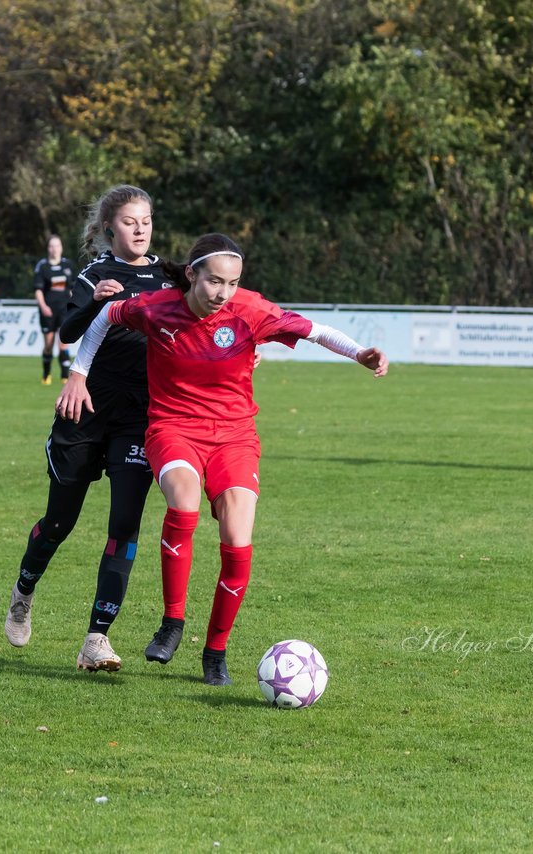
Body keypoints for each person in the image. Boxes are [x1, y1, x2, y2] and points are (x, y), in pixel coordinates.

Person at [56, 233, 389, 685]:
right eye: (214, 282)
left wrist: (359, 354)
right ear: (192, 275)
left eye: (231, 284)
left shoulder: (250, 310)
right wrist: (78, 374)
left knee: (237, 536)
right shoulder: (156, 308)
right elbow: (103, 319)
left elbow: (314, 330)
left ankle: (215, 653)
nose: (222, 293)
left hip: (235, 438)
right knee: (184, 502)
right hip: (173, 429)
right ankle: (172, 623)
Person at [4, 185, 174, 673]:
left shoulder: (169, 278)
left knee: (124, 525)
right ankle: (23, 591)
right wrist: (94, 302)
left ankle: (96, 639)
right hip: (85, 411)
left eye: (146, 220)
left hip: (139, 417)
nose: (139, 228)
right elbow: (69, 330)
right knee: (61, 520)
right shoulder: (93, 274)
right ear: (108, 229)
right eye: (129, 221)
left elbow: (204, 311)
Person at [33, 235, 76, 385]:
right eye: (51, 246)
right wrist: (43, 306)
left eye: (57, 246)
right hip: (48, 311)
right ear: (48, 248)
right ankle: (46, 373)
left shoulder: (68, 265)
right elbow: (38, 290)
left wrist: (74, 305)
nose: (54, 249)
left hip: (64, 310)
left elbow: (72, 289)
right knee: (48, 345)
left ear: (61, 248)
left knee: (63, 343)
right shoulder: (42, 266)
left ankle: (65, 376)